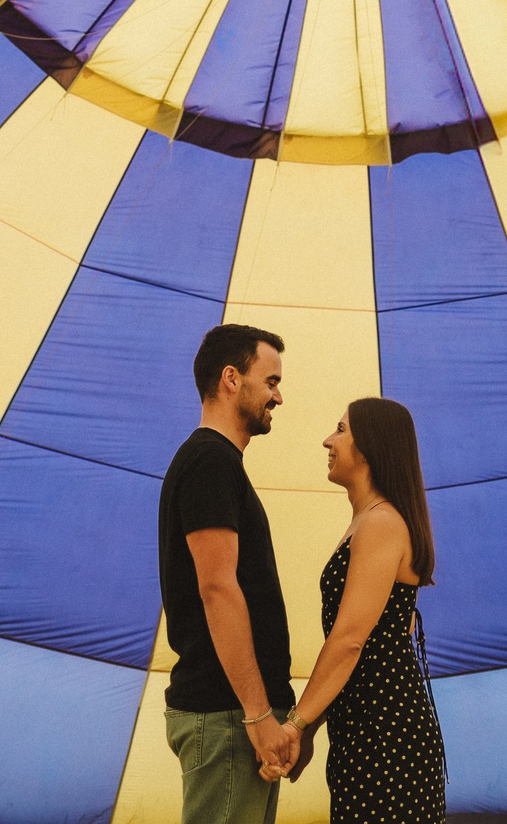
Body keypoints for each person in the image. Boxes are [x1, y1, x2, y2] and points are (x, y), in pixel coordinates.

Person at [274, 396, 446, 823]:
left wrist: (296, 724)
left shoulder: (381, 524)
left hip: (386, 733)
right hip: (367, 728)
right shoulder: (371, 522)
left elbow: (351, 641)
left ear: (369, 446)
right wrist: (314, 727)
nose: (327, 441)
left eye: (341, 429)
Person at [161, 324, 298, 824]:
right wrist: (259, 717)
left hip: (235, 717)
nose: (278, 396)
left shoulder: (220, 465)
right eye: (271, 381)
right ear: (231, 379)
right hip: (228, 717)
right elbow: (218, 589)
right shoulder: (210, 463)